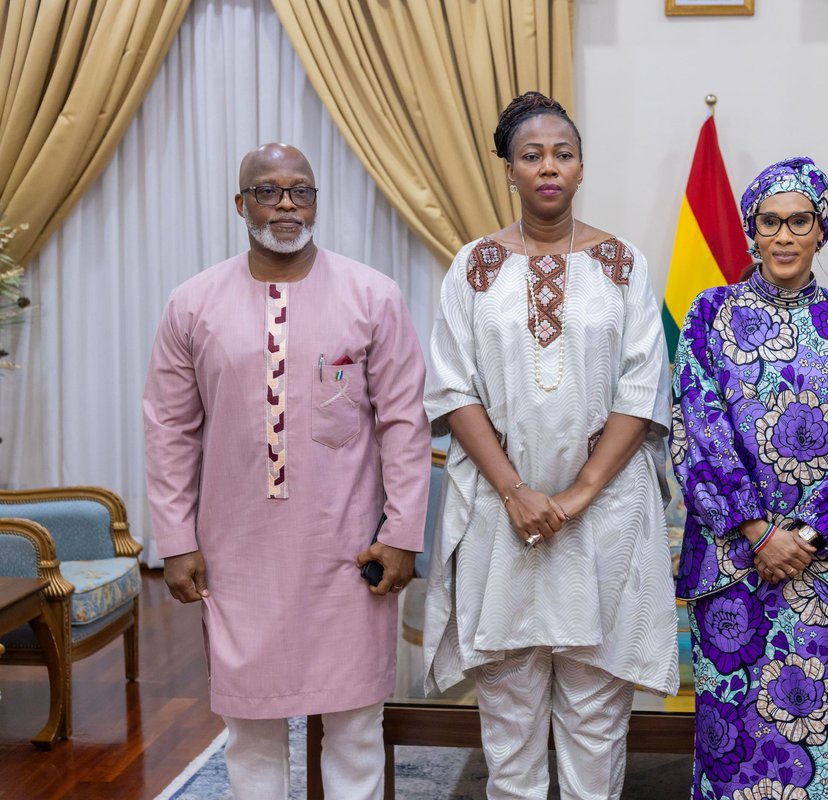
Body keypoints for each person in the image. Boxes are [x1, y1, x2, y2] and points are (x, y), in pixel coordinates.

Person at [143, 143, 431, 800]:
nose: (285, 205)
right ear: (240, 204)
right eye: (267, 191)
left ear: (316, 202)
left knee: (356, 724)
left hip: (347, 548)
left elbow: (404, 424)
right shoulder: (193, 304)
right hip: (237, 554)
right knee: (250, 729)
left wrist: (403, 532)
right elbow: (168, 429)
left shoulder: (371, 296)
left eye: (300, 191)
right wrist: (177, 542)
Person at [422, 92, 679, 799]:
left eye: (562, 154)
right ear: (508, 169)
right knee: (508, 725)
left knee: (597, 726)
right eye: (531, 155)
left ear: (581, 166)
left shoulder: (623, 263)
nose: (548, 167)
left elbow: (641, 388)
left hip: (603, 515)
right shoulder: (473, 266)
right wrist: (517, 491)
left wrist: (575, 496)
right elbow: (452, 389)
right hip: (499, 520)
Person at [672, 156, 828, 800]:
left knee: (817, 731)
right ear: (752, 231)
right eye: (770, 222)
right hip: (732, 558)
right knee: (730, 734)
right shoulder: (710, 313)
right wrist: (758, 531)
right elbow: (698, 427)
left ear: (821, 229)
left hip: (821, 565)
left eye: (800, 221)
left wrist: (807, 537)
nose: (785, 236)